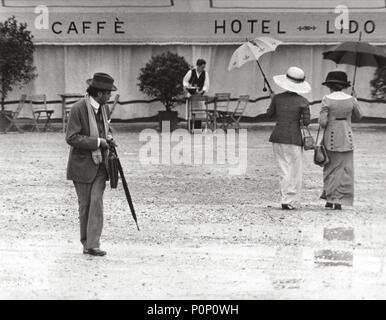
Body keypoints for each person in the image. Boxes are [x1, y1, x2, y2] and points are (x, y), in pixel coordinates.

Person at [66, 72, 117, 256]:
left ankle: (93, 244)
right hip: (81, 166)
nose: (110, 96)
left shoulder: (104, 109)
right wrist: (98, 142)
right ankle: (86, 243)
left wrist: (108, 138)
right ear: (100, 93)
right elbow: (71, 137)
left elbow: (105, 130)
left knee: (96, 202)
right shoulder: (78, 109)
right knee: (85, 205)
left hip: (101, 165)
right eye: (108, 93)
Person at [266, 66, 311, 210]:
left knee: (283, 169)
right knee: (294, 169)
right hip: (294, 138)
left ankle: (285, 197)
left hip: (278, 136)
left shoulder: (277, 98)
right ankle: (289, 199)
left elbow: (269, 115)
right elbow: (306, 122)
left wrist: (272, 100)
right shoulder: (303, 101)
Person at [319, 70, 362, 210]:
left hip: (330, 137)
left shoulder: (326, 99)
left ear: (330, 85)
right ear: (344, 85)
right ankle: (339, 200)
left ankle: (329, 197)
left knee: (330, 168)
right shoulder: (351, 99)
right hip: (346, 137)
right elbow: (359, 116)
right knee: (344, 169)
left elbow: (323, 122)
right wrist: (355, 100)